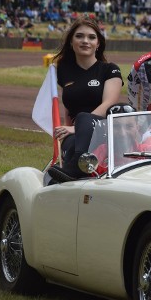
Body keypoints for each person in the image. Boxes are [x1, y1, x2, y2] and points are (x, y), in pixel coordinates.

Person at [48, 17, 123, 181]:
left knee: (83, 117)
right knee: (72, 144)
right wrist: (67, 129)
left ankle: (76, 167)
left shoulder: (110, 70)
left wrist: (77, 128)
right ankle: (68, 173)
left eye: (91, 37)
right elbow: (68, 106)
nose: (85, 41)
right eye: (79, 36)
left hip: (104, 131)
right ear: (71, 42)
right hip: (74, 135)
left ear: (98, 44)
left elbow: (109, 103)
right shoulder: (63, 71)